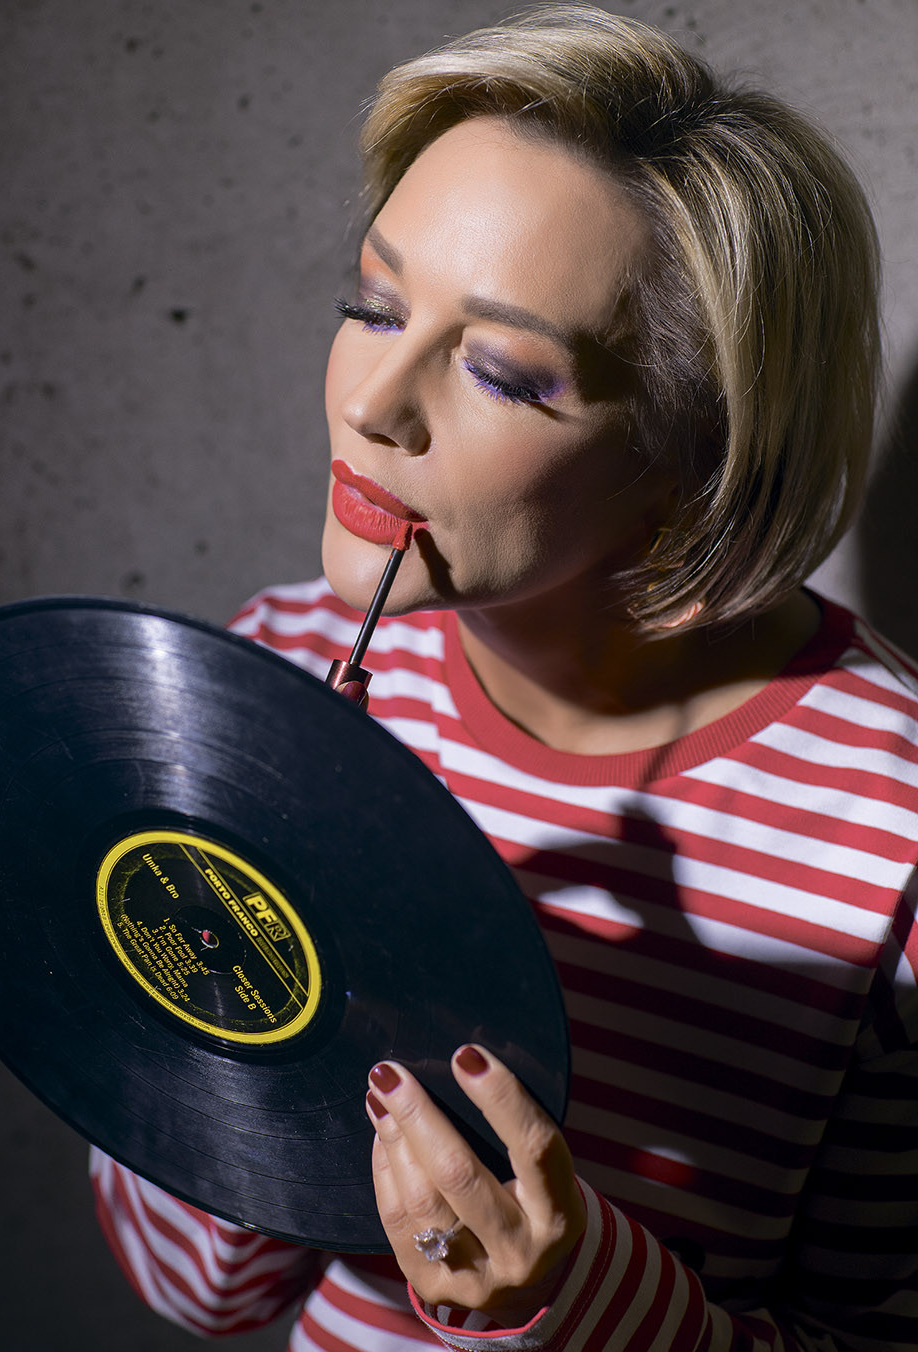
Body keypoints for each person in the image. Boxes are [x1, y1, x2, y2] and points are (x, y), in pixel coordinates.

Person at [90, 6, 918, 1349]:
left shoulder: (894, 827)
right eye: (373, 304)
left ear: (695, 458)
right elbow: (199, 1293)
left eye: (501, 371)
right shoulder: (271, 668)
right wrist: (248, 1014)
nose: (373, 403)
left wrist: (574, 1300)